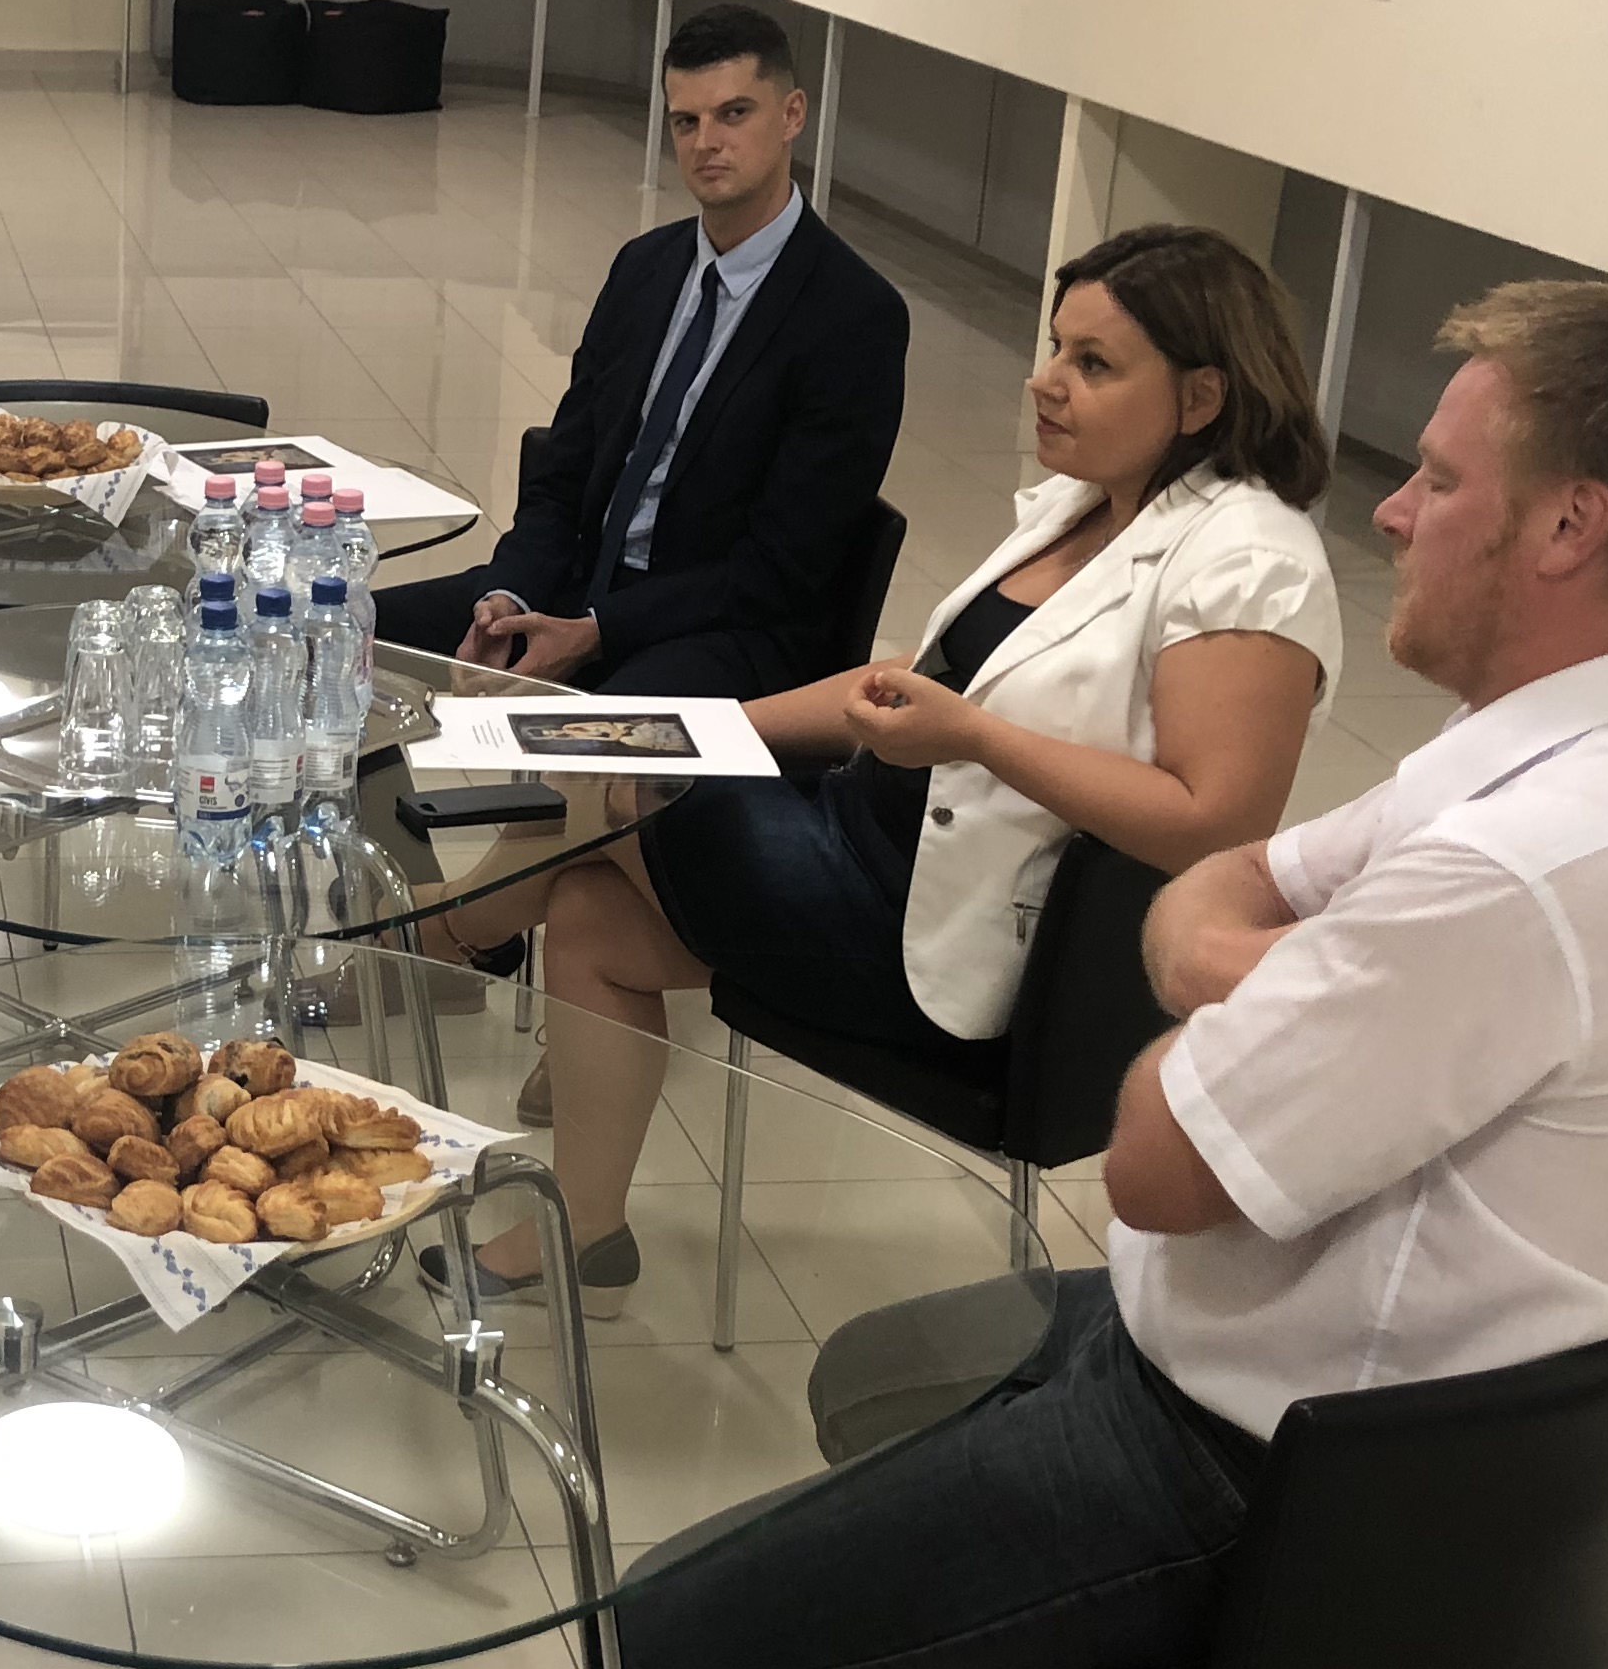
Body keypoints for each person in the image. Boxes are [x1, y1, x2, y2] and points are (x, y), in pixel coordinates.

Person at [605, 277, 1608, 1669]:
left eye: (1440, 479)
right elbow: (1229, 888)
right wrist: (1270, 980)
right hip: (1292, 1379)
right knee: (881, 1412)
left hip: (1256, 1463)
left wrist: (1237, 986)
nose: (1392, 511)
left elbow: (1148, 1163)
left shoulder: (1517, 861)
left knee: (665, 1645)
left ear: (1568, 525)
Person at [425, 225, 1339, 1313]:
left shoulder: (1251, 564)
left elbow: (1213, 821)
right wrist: (701, 724)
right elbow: (900, 686)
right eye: (1056, 348)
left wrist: (976, 739)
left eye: (1093, 364)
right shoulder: (1091, 504)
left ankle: (430, 941)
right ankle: (584, 1238)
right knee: (589, 906)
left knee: (613, 789)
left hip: (947, 936)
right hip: (864, 842)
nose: (1045, 382)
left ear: (1201, 397)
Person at [374, 2, 908, 700]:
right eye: (686, 121)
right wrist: (508, 595)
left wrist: (597, 631)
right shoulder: (644, 267)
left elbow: (782, 567)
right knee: (343, 630)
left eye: (734, 114)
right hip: (583, 583)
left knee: (580, 740)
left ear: (792, 115)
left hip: (728, 628)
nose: (706, 142)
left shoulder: (853, 315)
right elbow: (563, 474)